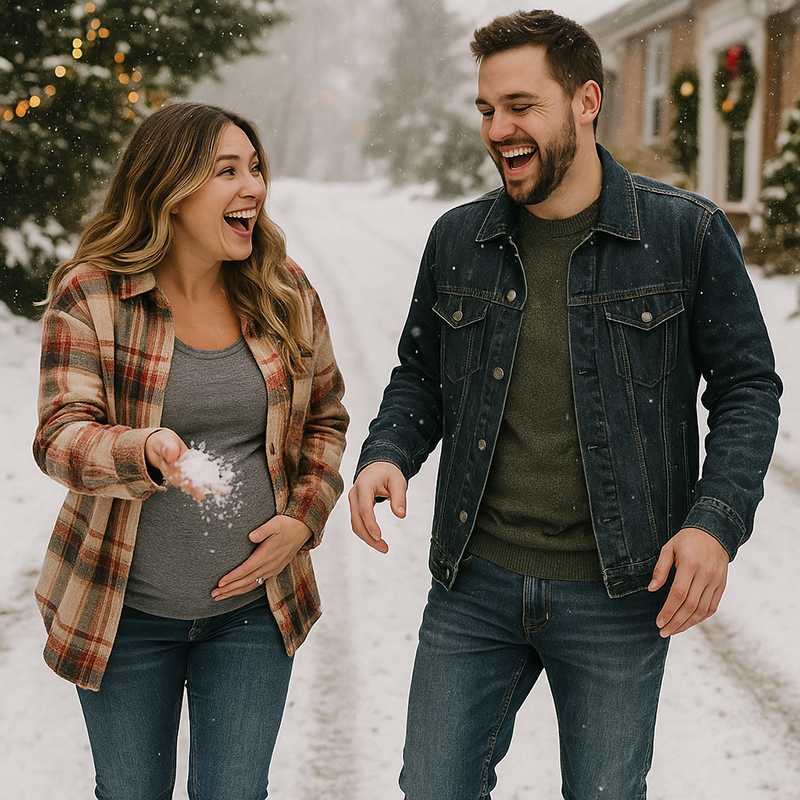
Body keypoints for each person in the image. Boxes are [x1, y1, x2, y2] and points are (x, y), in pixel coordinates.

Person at [349, 10, 781, 800]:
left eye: (521, 106)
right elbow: (421, 374)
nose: (498, 130)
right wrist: (388, 452)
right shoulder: (457, 240)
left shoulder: (684, 234)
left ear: (586, 101)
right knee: (433, 788)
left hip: (619, 592)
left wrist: (714, 522)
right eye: (487, 109)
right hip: (473, 583)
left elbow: (748, 387)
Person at [33, 101, 348, 800]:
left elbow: (326, 420)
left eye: (255, 168)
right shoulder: (94, 295)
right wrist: (142, 449)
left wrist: (303, 520)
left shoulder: (284, 289)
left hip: (253, 613)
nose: (253, 187)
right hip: (123, 614)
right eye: (226, 171)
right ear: (170, 190)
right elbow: (59, 434)